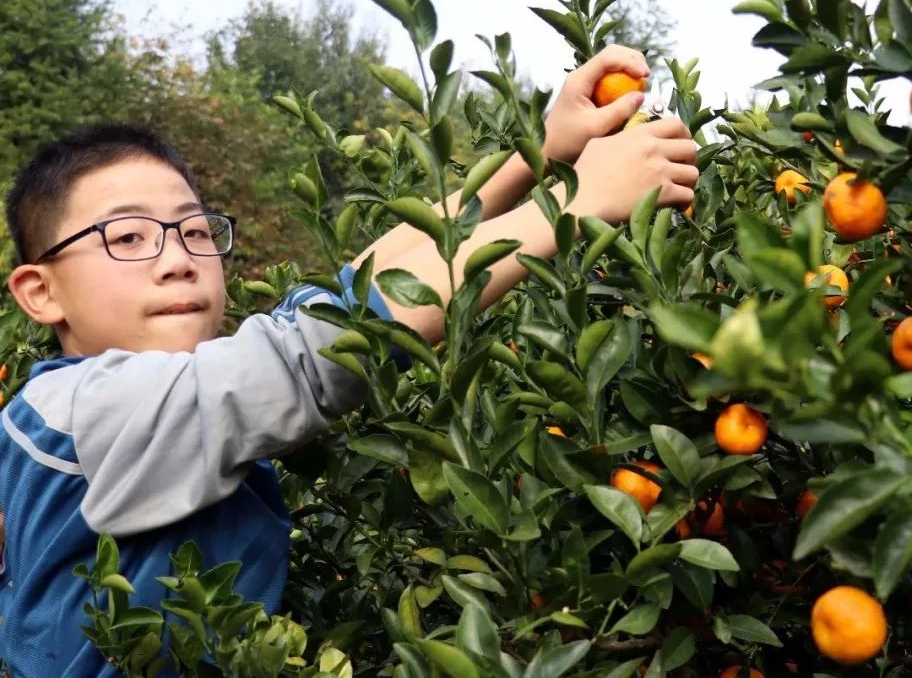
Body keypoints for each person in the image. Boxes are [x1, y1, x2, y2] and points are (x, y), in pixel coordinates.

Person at [0, 45, 697, 676]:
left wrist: (541, 155)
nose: (178, 260)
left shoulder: (94, 402)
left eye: (193, 229)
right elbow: (321, 348)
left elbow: (336, 299)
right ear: (40, 291)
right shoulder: (94, 405)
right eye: (127, 236)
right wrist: (574, 209)